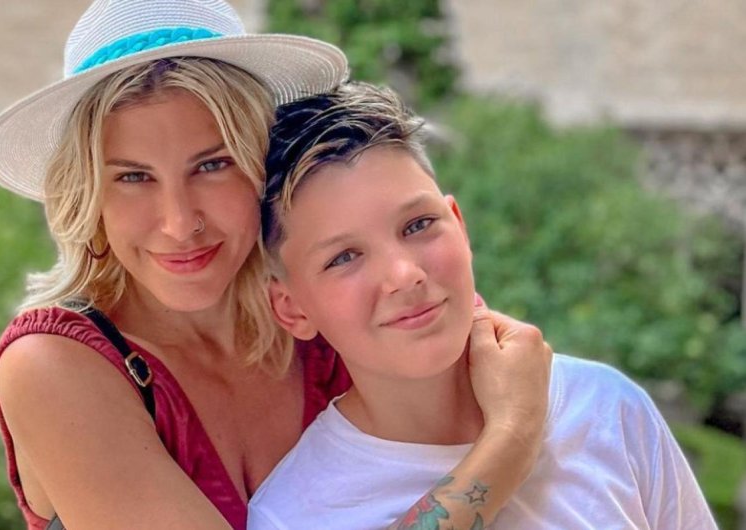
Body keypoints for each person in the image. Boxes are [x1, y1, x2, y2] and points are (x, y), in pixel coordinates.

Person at [0, 1, 553, 529]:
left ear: (262, 164)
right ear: (87, 195)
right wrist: (512, 441)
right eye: (133, 177)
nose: (179, 223)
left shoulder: (330, 307)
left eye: (213, 164)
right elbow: (513, 415)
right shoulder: (53, 366)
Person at [247, 81, 719, 530]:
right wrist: (513, 434)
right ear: (291, 308)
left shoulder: (607, 408)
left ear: (459, 224)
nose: (404, 274)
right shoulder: (292, 514)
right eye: (344, 257)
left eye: (418, 225)